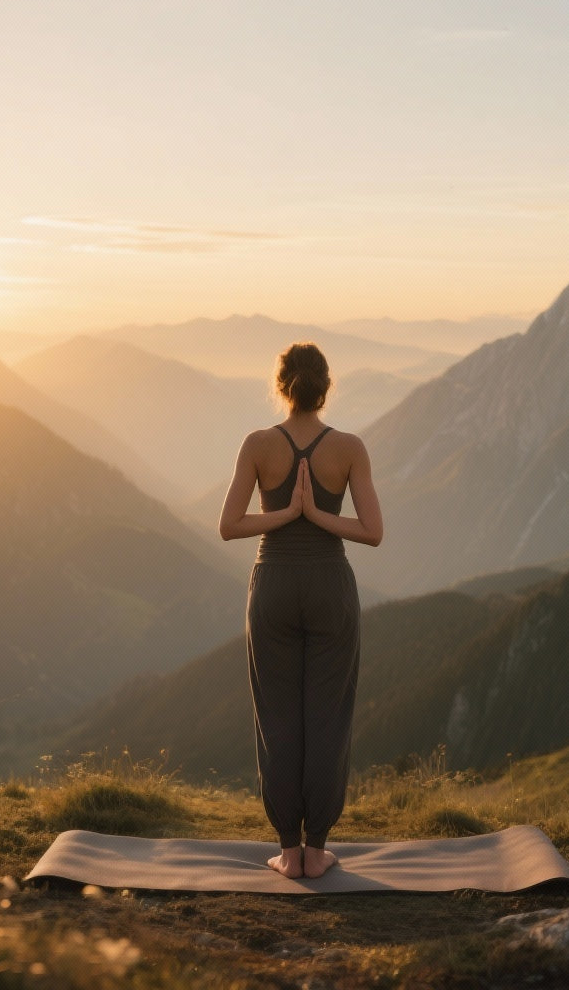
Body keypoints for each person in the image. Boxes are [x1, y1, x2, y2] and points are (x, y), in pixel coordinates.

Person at [219, 342, 383, 879]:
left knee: (278, 716)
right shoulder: (349, 448)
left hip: (273, 586)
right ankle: (318, 847)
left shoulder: (258, 444)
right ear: (326, 386)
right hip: (330, 585)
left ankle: (288, 850)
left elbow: (231, 525)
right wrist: (315, 513)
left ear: (281, 386)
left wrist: (288, 511)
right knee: (327, 717)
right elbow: (371, 533)